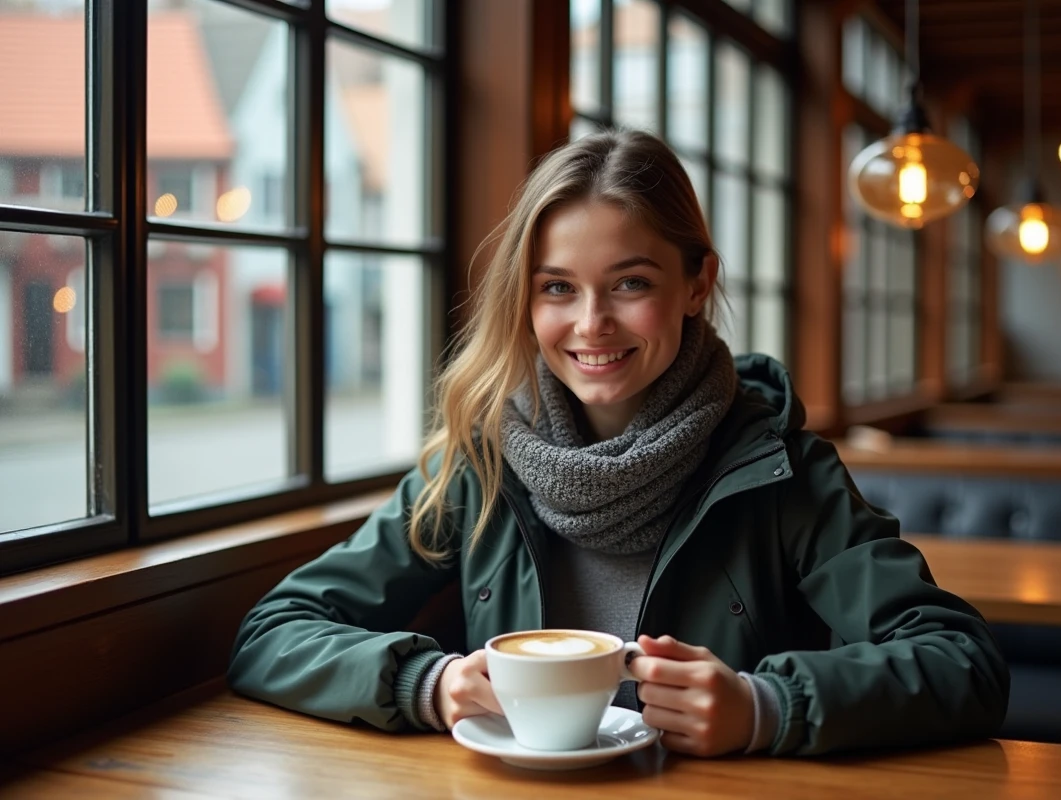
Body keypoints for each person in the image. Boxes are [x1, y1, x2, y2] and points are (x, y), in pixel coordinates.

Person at [228, 130, 1009, 758]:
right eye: (557, 286)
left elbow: (963, 663)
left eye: (631, 283)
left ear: (697, 283)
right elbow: (272, 635)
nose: (591, 323)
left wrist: (765, 707)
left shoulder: (780, 469)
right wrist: (428, 686)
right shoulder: (477, 466)